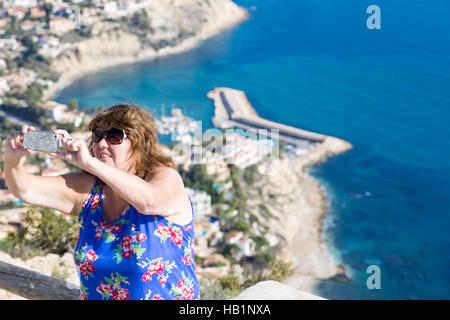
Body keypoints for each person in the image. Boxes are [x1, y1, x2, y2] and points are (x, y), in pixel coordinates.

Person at [4, 104, 200, 300]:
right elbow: (26, 190)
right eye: (98, 135)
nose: (102, 144)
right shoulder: (91, 192)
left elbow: (148, 201)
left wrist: (89, 162)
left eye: (114, 136)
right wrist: (13, 160)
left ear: (140, 143)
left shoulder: (165, 177)